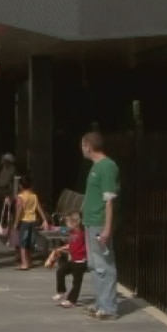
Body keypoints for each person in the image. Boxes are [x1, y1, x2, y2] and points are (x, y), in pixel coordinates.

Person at [81, 131, 120, 320]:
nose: (82, 149)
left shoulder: (107, 167)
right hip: (90, 222)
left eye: (83, 145)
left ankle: (109, 306)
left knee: (105, 265)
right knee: (95, 265)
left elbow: (109, 200)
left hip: (99, 222)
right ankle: (100, 303)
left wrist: (107, 227)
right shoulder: (96, 167)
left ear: (88, 145)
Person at [46, 212, 88, 307]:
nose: (67, 225)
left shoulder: (82, 233)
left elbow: (90, 241)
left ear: (75, 223)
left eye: (68, 223)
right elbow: (71, 245)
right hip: (73, 260)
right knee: (60, 271)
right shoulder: (72, 233)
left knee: (76, 282)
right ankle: (61, 291)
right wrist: (60, 249)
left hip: (80, 261)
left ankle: (72, 300)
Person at [13, 175, 50, 270]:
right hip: (33, 221)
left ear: (20, 186)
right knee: (30, 243)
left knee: (23, 243)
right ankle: (30, 261)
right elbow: (39, 208)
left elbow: (19, 210)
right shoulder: (34, 196)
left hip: (24, 222)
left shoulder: (20, 197)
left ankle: (24, 263)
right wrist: (44, 219)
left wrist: (16, 223)